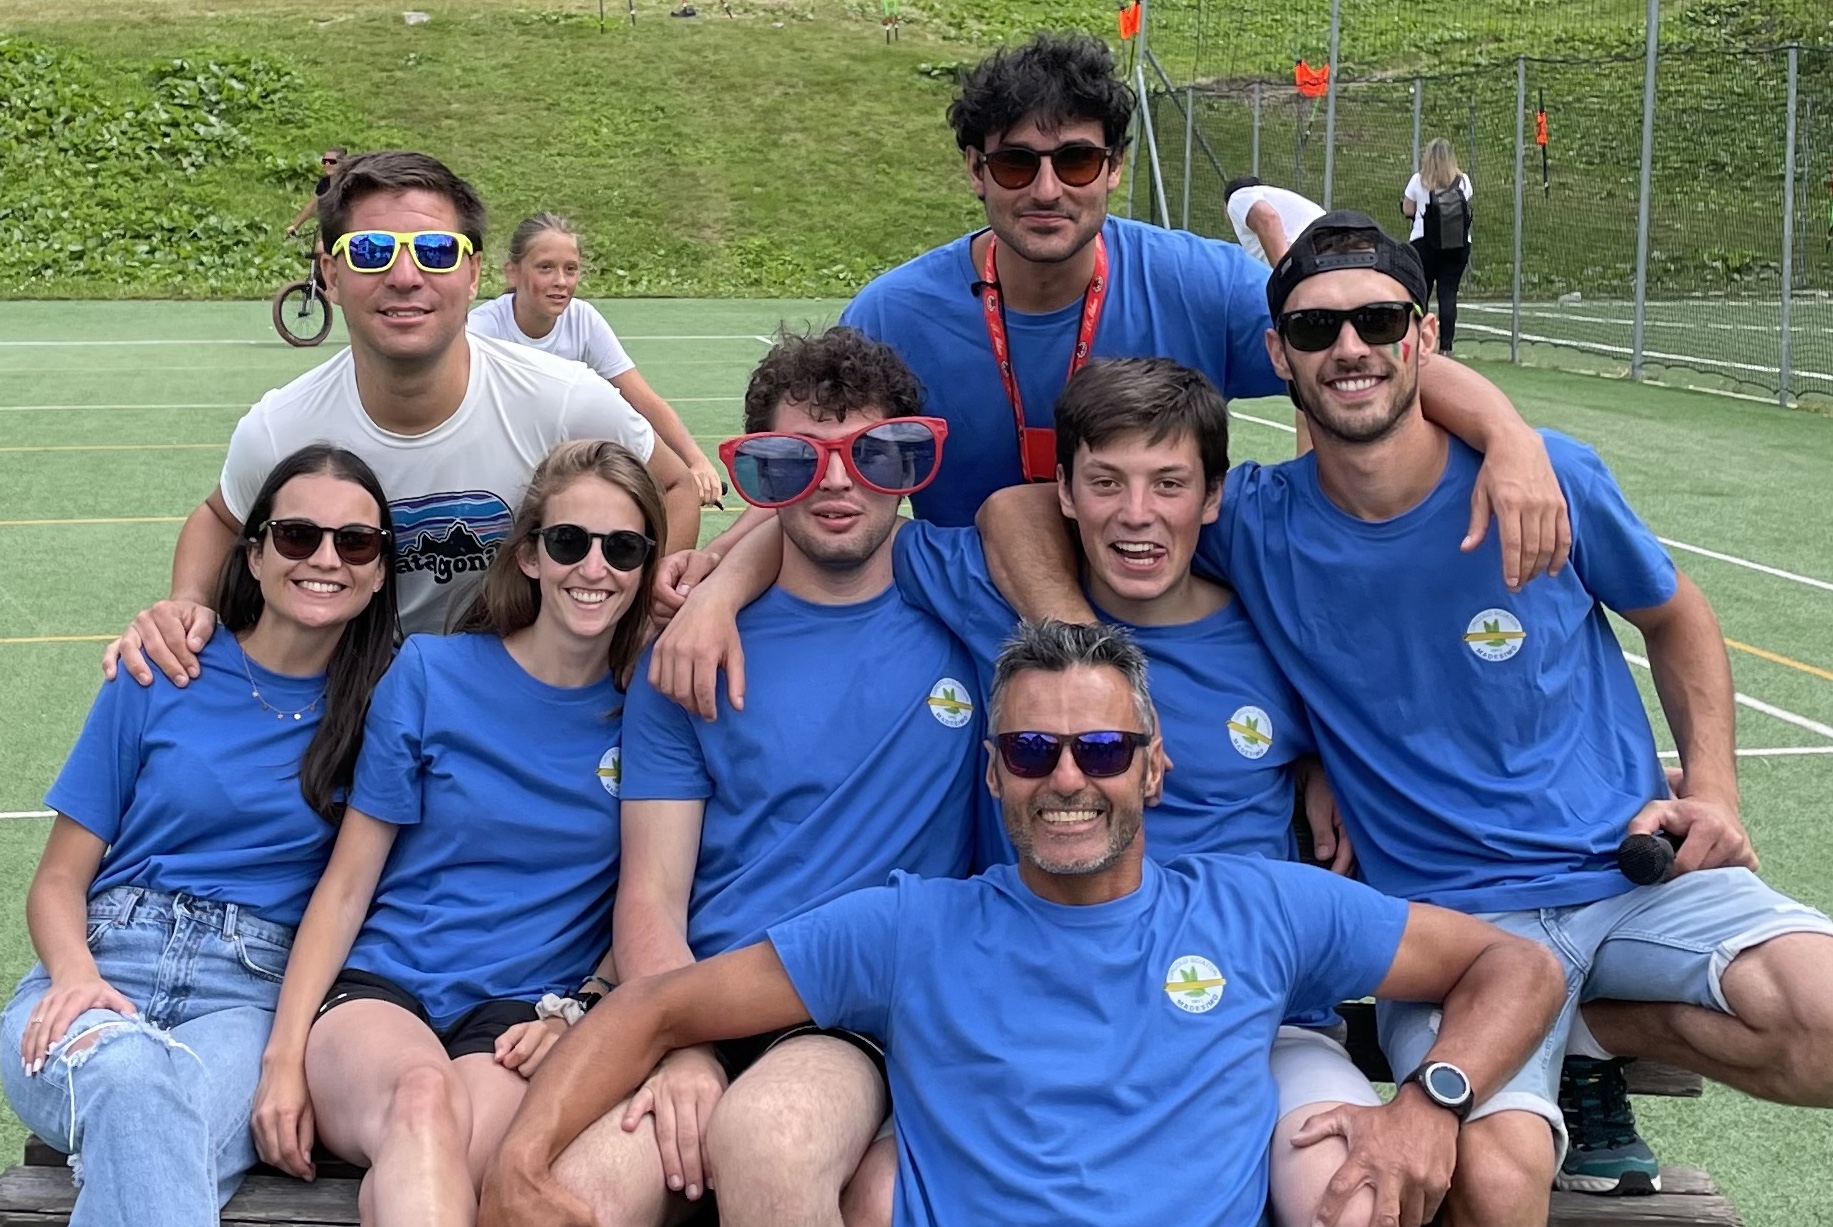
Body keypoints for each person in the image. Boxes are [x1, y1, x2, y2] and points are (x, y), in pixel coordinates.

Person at [976, 212, 1833, 1220]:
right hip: (1455, 923)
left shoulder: (1546, 477)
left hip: (1628, 870)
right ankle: (1559, 1026)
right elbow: (1022, 509)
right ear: (1277, 357)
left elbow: (1676, 617)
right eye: (1315, 330)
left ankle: (1592, 1028)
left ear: (1424, 335)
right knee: (1491, 1182)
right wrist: (1102, 667)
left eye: (1379, 321)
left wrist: (1716, 789)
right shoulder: (1250, 518)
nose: (1349, 348)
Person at [479, 618, 1568, 1227]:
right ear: (994, 771)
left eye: (1101, 750)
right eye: (1032, 751)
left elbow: (1513, 965)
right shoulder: (911, 926)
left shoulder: (1257, 907)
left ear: (1153, 767)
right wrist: (520, 1161)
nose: (1067, 779)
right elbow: (660, 1005)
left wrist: (1431, 1100)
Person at [652, 357, 1377, 1227]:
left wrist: (1325, 765)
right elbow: (841, 520)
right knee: (880, 1191)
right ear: (1065, 493)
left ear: (1210, 496)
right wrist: (717, 589)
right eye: (1104, 482)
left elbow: (1375, 725)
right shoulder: (994, 599)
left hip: (1245, 1009)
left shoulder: (1269, 635)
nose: (1135, 512)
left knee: (1349, 1187)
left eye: (1167, 483)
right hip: (1032, 998)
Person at [805, 28, 1563, 600]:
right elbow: (809, 476)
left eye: (1075, 160)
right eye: (1014, 163)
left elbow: (1362, 357)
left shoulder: (1199, 282)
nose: (1046, 190)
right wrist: (735, 593)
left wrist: (1509, 436)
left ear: (1114, 167)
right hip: (974, 624)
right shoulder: (893, 315)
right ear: (975, 170)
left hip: (1169, 624)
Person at [537, 327, 980, 1227]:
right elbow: (652, 894)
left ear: (909, 463)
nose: (837, 482)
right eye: (796, 460)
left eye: (873, 454)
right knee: (573, 1200)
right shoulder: (688, 654)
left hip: (853, 1017)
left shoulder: (963, 595)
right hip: (697, 995)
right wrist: (681, 1048)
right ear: (762, 476)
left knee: (769, 1136)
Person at [249, 439, 665, 1225]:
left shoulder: (652, 709)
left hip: (519, 1018)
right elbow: (347, 885)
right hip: (381, 994)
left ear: (646, 566)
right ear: (530, 554)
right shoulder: (431, 672)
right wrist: (281, 1056)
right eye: (569, 541)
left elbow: (655, 891)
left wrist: (581, 1007)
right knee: (420, 1099)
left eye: (622, 548)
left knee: (441, 1168)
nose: (594, 567)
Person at [105, 149, 700, 683]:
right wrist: (187, 600)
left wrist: (640, 615)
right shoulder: (282, 426)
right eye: (371, 252)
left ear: (473, 274)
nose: (406, 277)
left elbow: (674, 486)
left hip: (520, 690)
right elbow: (219, 518)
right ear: (331, 275)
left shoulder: (564, 399)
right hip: (353, 696)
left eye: (436, 251)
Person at [0, 444, 398, 1225]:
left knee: (149, 1109)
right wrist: (75, 976)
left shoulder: (384, 709)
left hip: (249, 1001)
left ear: (380, 571)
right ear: (253, 555)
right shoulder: (161, 666)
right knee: (134, 1082)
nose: (325, 558)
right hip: (103, 959)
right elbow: (57, 880)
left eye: (355, 542)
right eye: (297, 535)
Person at [468, 212, 727, 507]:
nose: (561, 281)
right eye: (545, 268)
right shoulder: (481, 330)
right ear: (512, 272)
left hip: (559, 466)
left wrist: (696, 461)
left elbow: (644, 400)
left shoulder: (583, 319)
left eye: (570, 269)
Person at [1402, 138, 1473, 355]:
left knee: (1421, 293)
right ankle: (1446, 348)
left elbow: (1408, 209)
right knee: (1448, 294)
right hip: (1456, 244)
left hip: (1424, 243)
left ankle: (1417, 343)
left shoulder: (1418, 180)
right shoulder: (1462, 181)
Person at [1224, 174, 1325, 266]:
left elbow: (1267, 218)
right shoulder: (1281, 203)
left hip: (1314, 245)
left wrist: (1284, 271)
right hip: (1325, 244)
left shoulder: (1237, 197)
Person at [284, 147, 346, 240]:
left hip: (351, 229)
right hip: (332, 228)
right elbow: (311, 206)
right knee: (320, 247)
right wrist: (294, 226)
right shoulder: (324, 183)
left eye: (332, 162)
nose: (327, 164)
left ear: (342, 164)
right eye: (324, 161)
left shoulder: (349, 183)